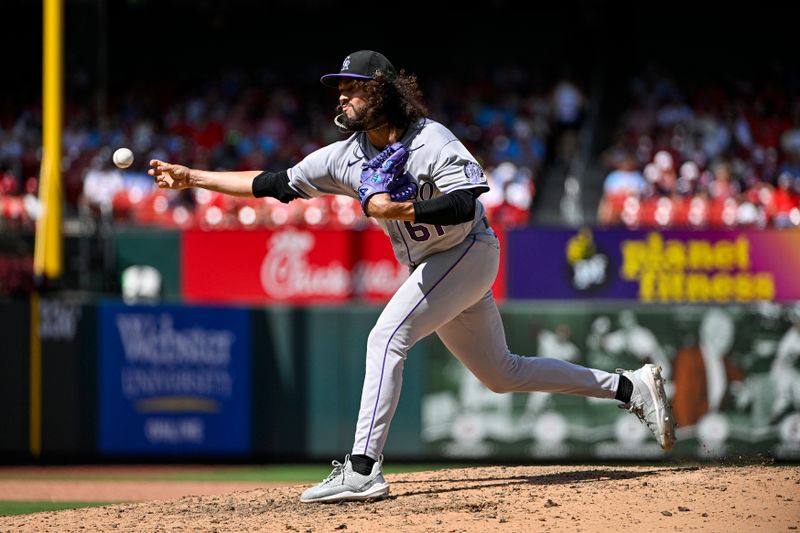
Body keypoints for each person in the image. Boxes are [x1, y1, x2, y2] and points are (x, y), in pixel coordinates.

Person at [149, 50, 675, 503]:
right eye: (340, 89)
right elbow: (273, 183)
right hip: (435, 266)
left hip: (469, 249)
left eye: (353, 88)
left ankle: (361, 470)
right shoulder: (344, 158)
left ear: (381, 92)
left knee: (386, 336)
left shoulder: (430, 140)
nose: (342, 97)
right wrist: (193, 176)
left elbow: (467, 202)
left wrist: (399, 211)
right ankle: (630, 387)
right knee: (502, 374)